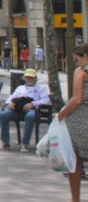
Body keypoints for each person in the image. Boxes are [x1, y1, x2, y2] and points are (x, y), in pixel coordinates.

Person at [58, 43, 88, 202]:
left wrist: (61, 115)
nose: (76, 64)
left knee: (74, 160)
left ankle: (75, 199)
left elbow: (77, 99)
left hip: (81, 122)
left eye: (77, 60)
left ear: (85, 57)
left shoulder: (81, 72)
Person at [0, 68, 50, 152]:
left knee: (31, 116)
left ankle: (25, 143)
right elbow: (11, 97)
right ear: (24, 78)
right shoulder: (20, 88)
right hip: (16, 109)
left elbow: (46, 100)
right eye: (27, 77)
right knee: (3, 115)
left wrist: (33, 103)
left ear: (35, 78)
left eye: (31, 77)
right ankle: (5, 142)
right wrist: (9, 103)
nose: (29, 79)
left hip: (30, 110)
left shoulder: (41, 88)